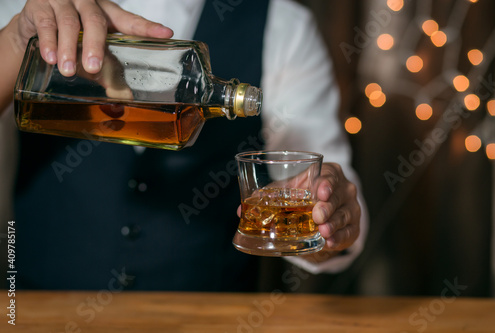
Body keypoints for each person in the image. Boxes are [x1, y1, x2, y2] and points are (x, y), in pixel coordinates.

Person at [0, 0, 368, 291]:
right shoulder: (28, 8)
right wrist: (16, 41)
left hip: (207, 319)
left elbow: (328, 198)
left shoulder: (284, 26)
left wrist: (330, 219)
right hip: (38, 311)